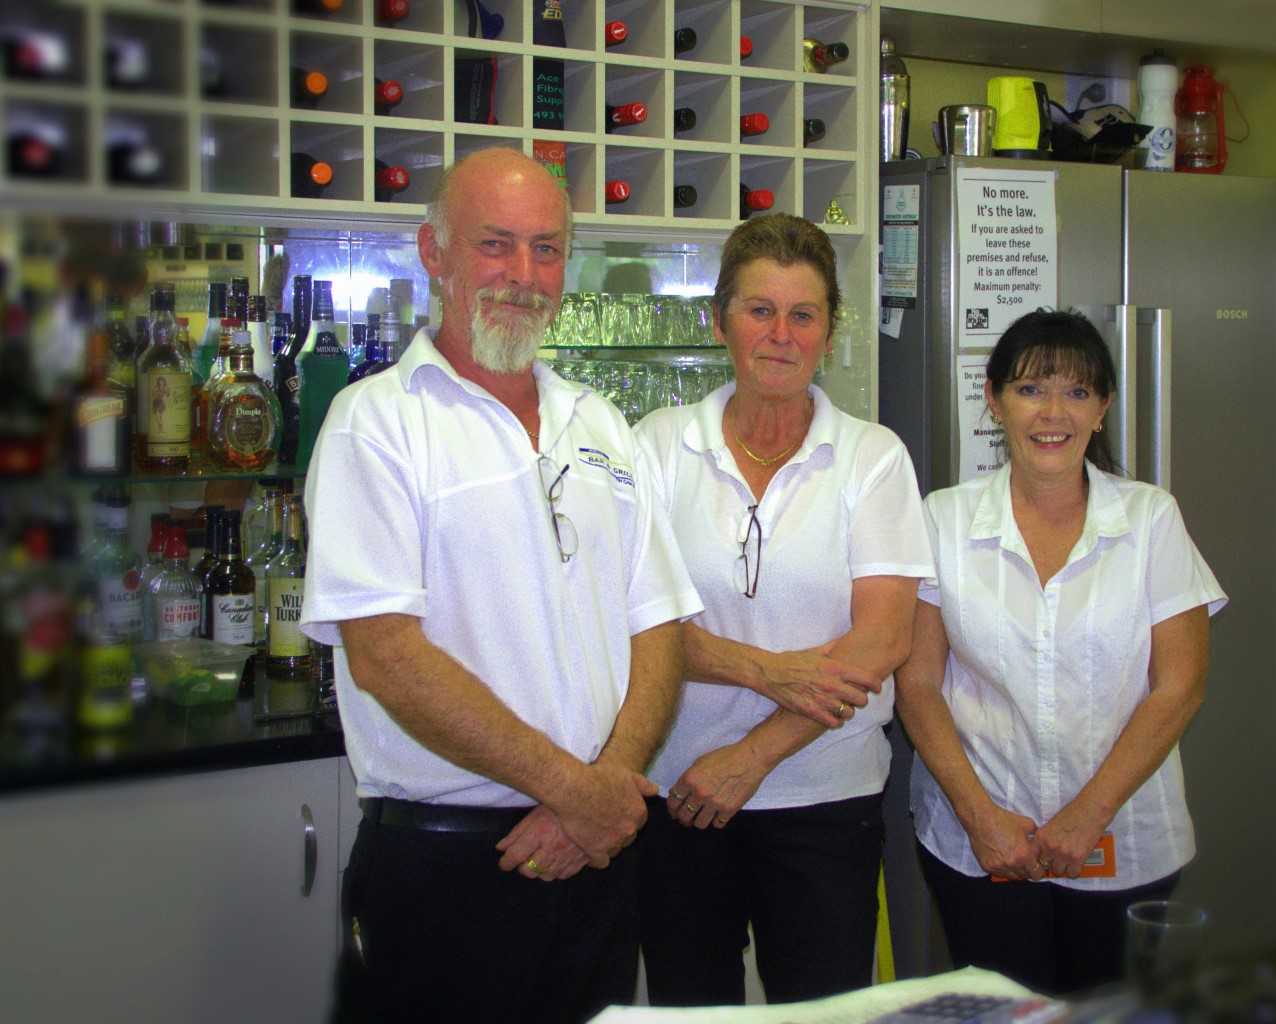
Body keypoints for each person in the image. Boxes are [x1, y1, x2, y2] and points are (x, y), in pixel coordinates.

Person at [299, 147, 702, 1024]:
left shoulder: (599, 422)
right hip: (446, 868)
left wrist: (607, 785)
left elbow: (658, 623)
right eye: (495, 245)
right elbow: (387, 658)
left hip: (597, 850)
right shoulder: (376, 424)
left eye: (547, 250)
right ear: (433, 252)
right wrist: (577, 790)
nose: (523, 276)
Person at [633, 213, 935, 1005]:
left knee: (825, 1010)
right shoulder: (657, 447)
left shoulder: (873, 458)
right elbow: (633, 619)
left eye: (803, 314)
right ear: (719, 319)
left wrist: (749, 758)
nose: (781, 334)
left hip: (824, 799)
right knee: (689, 1010)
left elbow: (883, 637)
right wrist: (768, 671)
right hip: (677, 794)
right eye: (759, 309)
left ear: (829, 330)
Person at [895, 309, 1227, 995]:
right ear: (992, 399)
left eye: (1077, 392)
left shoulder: (1149, 519)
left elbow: (1180, 685)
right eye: (1029, 389)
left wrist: (1088, 815)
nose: (1053, 413)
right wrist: (980, 817)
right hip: (978, 842)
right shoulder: (943, 520)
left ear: (1103, 408)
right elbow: (919, 683)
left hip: (1128, 843)